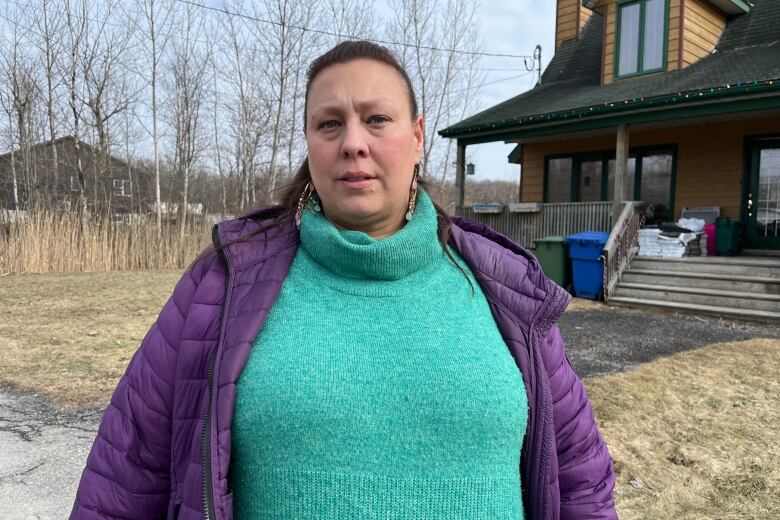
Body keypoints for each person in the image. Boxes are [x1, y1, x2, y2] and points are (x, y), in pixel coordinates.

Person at [70, 41, 617, 520]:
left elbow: (580, 482)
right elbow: (126, 475)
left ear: (418, 135)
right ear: (309, 143)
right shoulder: (224, 285)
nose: (353, 142)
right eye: (329, 123)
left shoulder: (509, 292)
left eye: (377, 119)